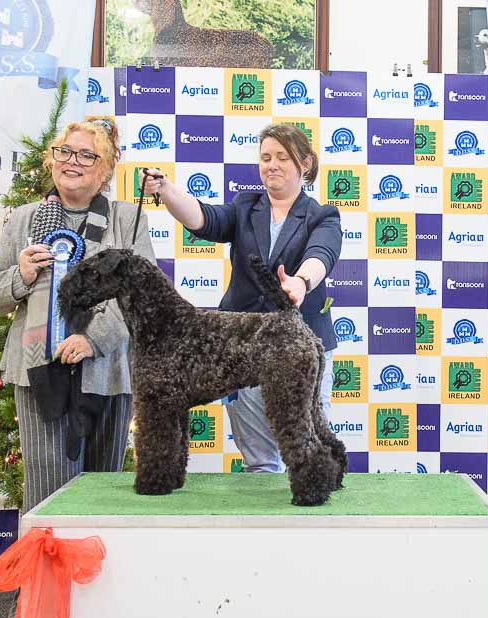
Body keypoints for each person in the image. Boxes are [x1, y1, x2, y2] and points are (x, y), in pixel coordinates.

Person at [0, 116, 156, 515]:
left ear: (104, 171)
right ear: (52, 159)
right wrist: (20, 276)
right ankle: (47, 560)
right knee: (47, 496)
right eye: (65, 151)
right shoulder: (24, 219)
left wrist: (93, 339)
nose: (72, 161)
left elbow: (142, 294)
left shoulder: (127, 219)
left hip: (108, 373)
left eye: (86, 155)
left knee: (103, 497)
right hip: (38, 371)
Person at [142, 122, 342, 473]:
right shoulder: (245, 206)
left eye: (282, 157)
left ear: (305, 163)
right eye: (265, 158)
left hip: (300, 340)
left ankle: (320, 485)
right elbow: (204, 219)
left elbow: (322, 252)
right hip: (244, 348)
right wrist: (167, 190)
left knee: (307, 437)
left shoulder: (322, 215)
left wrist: (301, 282)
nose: (272, 165)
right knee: (260, 463)